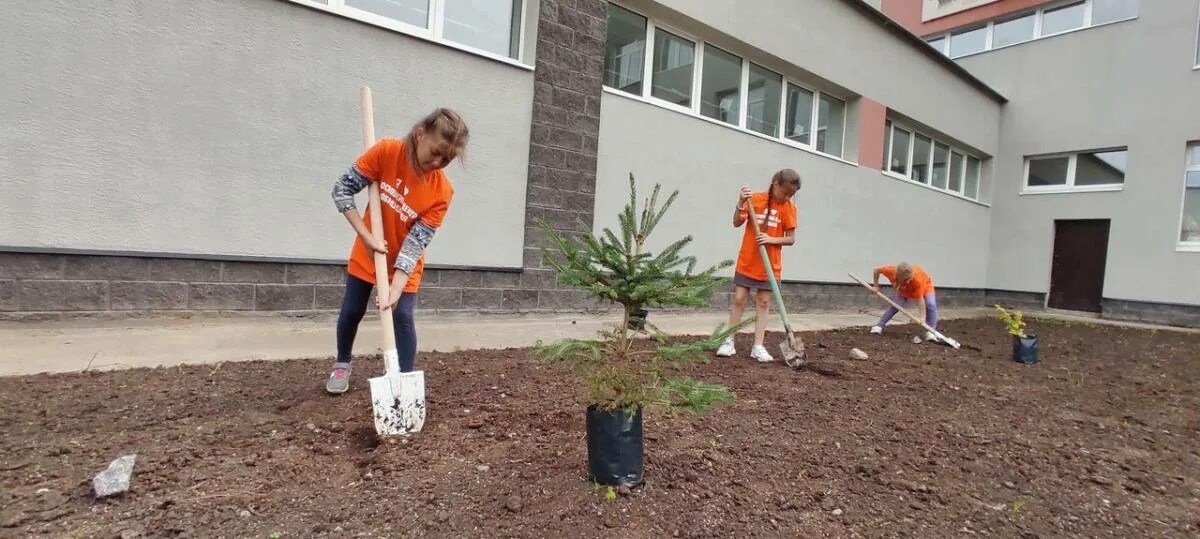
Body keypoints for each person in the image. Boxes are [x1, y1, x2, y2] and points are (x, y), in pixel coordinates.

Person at [325, 108, 469, 394]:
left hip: (406, 262)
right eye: (437, 151)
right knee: (352, 310)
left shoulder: (442, 191)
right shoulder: (387, 153)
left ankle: (402, 383)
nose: (439, 162)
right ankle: (342, 363)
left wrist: (396, 284)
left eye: (448, 159)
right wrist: (366, 237)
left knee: (402, 316)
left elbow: (417, 240)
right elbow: (341, 189)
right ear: (420, 134)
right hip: (368, 253)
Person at [716, 169, 801, 362]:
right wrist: (740, 202)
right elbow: (736, 222)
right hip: (748, 260)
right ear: (776, 184)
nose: (787, 198)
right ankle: (729, 341)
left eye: (791, 195)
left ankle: (758, 346)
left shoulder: (788, 208)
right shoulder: (755, 199)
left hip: (770, 265)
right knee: (739, 298)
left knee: (763, 303)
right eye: (785, 193)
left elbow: (791, 239)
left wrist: (771, 239)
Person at [868, 262, 939, 341]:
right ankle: (879, 326)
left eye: (910, 278)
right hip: (904, 290)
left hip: (926, 288)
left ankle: (931, 332)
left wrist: (922, 318)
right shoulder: (890, 271)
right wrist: (876, 286)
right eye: (906, 279)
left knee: (930, 304)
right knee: (895, 306)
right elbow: (876, 270)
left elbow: (920, 299)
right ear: (898, 275)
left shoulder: (917, 280)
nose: (908, 281)